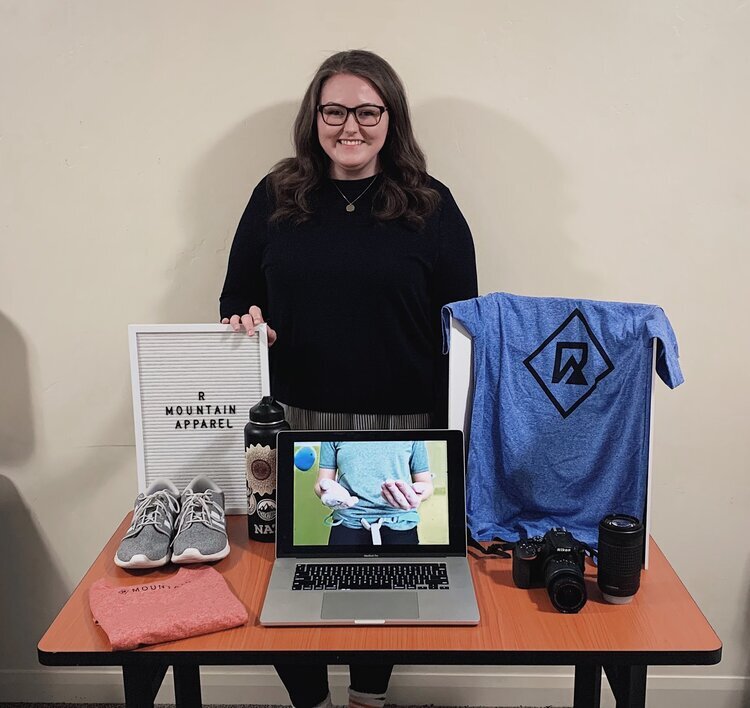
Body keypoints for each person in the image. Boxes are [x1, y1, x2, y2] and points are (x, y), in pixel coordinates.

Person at [220, 49, 477, 708]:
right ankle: (311, 701)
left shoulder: (431, 204)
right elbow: (236, 299)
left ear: (391, 118)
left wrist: (453, 441)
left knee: (388, 581)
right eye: (334, 111)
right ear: (315, 117)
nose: (350, 126)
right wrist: (246, 321)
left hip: (403, 423)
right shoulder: (277, 195)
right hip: (295, 422)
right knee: (290, 577)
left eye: (367, 111)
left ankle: (368, 698)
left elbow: (463, 328)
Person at [316, 440, 434, 545]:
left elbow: (426, 483)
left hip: (400, 525)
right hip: (347, 524)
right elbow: (321, 482)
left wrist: (417, 495)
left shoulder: (412, 430)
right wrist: (327, 494)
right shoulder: (334, 431)